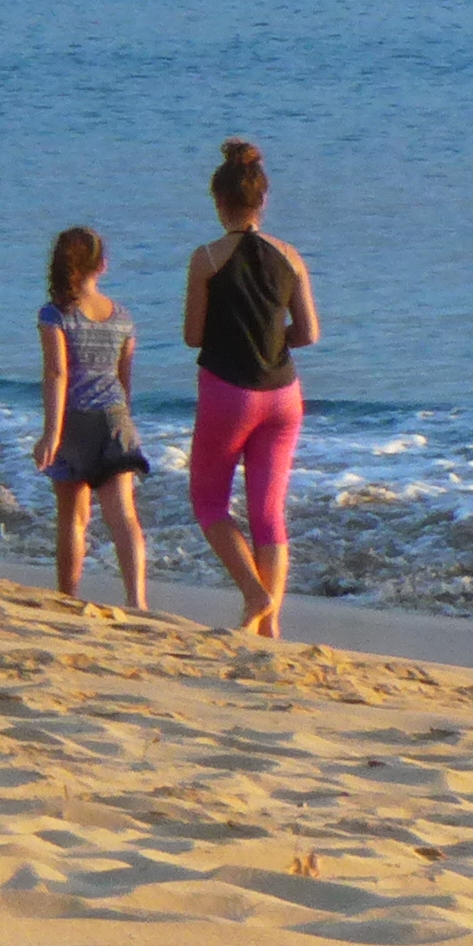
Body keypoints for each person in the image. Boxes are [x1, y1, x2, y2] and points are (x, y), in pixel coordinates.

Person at [182, 138, 320, 638]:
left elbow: (193, 335)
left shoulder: (207, 258)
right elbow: (308, 333)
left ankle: (255, 593)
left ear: (219, 203)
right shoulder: (290, 256)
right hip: (284, 395)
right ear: (262, 201)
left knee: (209, 503)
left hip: (228, 390)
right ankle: (271, 622)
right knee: (267, 511)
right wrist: (270, 337)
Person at [33, 225, 150, 610]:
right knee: (124, 518)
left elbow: (57, 374)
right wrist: (125, 422)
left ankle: (68, 596)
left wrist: (51, 433)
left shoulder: (55, 315)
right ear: (102, 264)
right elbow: (125, 379)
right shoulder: (123, 318)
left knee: (73, 517)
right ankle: (137, 599)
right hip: (115, 418)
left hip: (75, 421)